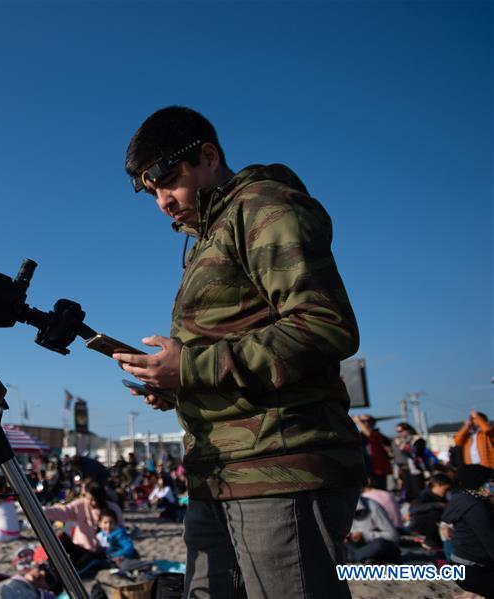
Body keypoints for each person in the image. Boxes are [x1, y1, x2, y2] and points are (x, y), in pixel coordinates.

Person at [114, 106, 365, 598]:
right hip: (219, 470)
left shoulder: (263, 207)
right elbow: (231, 345)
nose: (163, 201)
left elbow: (325, 324)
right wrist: (178, 383)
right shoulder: (206, 235)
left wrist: (190, 365)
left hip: (279, 465)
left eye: (169, 182)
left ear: (208, 156)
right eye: (152, 193)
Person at [441, 464, 494, 596]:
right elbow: (491, 542)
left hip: (459, 564)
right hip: (474, 570)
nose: (492, 484)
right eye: (489, 481)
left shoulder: (460, 498)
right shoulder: (476, 508)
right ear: (479, 484)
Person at [344, 493, 400, 564]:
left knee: (379, 545)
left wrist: (365, 535)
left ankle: (354, 557)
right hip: (353, 547)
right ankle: (356, 557)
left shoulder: (373, 507)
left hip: (372, 545)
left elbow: (393, 536)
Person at [409, 473, 451, 549]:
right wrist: (436, 505)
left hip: (435, 528)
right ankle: (429, 541)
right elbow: (413, 509)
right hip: (421, 526)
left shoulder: (442, 497)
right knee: (435, 513)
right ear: (437, 485)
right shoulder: (424, 495)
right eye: (445, 489)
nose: (446, 492)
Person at [353, 415, 394, 490]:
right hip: (366, 469)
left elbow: (369, 434)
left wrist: (358, 422)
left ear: (373, 423)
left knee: (379, 491)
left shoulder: (376, 434)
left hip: (378, 470)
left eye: (367, 421)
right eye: (363, 421)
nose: (364, 423)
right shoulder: (360, 435)